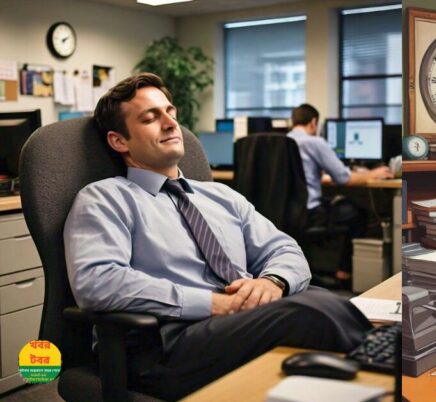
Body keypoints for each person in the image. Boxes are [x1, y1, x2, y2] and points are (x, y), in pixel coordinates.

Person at [63, 73, 371, 400]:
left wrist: (272, 282)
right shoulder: (104, 198)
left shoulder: (220, 195)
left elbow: (283, 247)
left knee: (325, 300)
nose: (170, 123)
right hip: (166, 343)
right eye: (150, 118)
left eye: (171, 112)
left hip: (234, 327)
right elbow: (98, 281)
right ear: (119, 141)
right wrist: (214, 304)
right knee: (311, 313)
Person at [287, 104, 393, 286]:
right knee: (357, 213)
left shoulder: (281, 142)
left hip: (286, 212)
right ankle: (343, 272)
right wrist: (374, 174)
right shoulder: (314, 142)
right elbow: (344, 178)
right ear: (313, 123)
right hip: (310, 214)